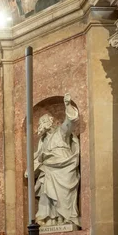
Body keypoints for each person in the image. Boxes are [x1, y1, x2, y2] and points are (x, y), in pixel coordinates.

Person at [31, 94, 80, 227]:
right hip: (48, 169)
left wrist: (67, 105)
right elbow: (38, 157)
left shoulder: (60, 132)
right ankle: (50, 218)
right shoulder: (43, 141)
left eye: (44, 121)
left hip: (64, 166)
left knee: (64, 194)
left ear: (50, 122)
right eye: (41, 123)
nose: (41, 125)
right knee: (46, 191)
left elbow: (70, 122)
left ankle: (68, 217)